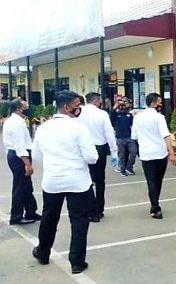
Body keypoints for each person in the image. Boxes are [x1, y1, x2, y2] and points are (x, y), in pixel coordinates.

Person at [31, 91, 98, 274]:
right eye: (76, 105)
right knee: (79, 220)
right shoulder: (79, 128)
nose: (79, 109)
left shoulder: (43, 128)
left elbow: (36, 156)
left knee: (49, 217)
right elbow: (91, 157)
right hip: (78, 181)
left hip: (53, 181)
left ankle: (43, 252)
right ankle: (77, 262)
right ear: (66, 107)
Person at [132, 93, 176, 219]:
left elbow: (134, 136)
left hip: (146, 154)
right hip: (160, 153)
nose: (161, 105)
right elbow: (166, 135)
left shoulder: (137, 117)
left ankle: (154, 204)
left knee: (151, 181)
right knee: (158, 180)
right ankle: (155, 205)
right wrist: (172, 153)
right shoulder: (159, 117)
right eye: (159, 102)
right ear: (153, 103)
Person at [78, 92, 118, 223]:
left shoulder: (79, 113)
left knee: (86, 179)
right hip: (99, 148)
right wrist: (114, 152)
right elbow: (109, 133)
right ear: (96, 101)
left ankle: (90, 209)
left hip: (83, 148)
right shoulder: (102, 114)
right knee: (100, 180)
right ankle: (99, 209)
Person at [3, 98, 40, 225]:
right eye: (25, 107)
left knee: (26, 185)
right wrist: (27, 164)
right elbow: (19, 145)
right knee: (20, 187)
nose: (28, 109)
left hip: (15, 155)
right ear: (19, 109)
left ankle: (31, 211)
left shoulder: (13, 120)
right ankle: (16, 216)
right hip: (19, 156)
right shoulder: (17, 123)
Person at [110, 97, 137, 177]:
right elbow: (111, 114)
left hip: (129, 137)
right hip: (120, 137)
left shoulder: (129, 115)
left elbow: (134, 125)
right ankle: (122, 170)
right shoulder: (116, 115)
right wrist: (117, 105)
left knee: (133, 152)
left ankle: (129, 167)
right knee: (122, 155)